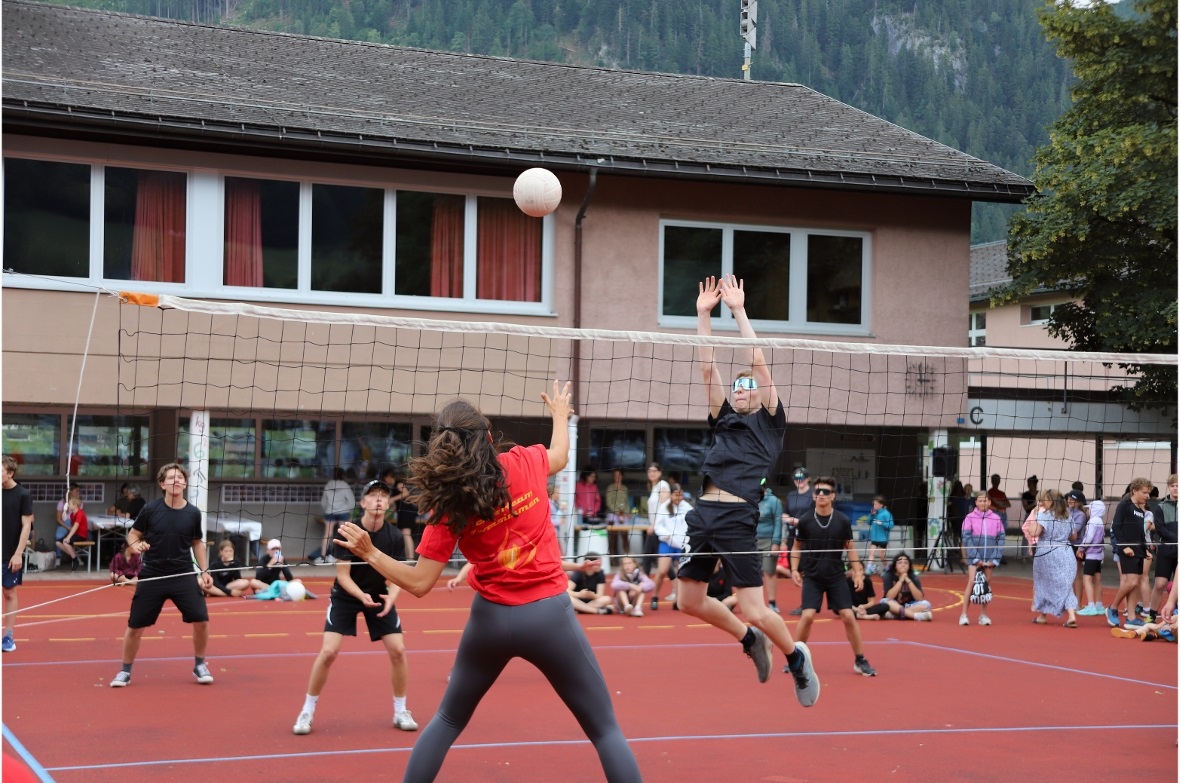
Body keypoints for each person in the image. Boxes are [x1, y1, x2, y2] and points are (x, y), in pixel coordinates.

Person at [332, 380, 642, 783]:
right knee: (605, 730)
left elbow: (421, 582)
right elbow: (562, 455)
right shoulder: (523, 462)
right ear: (489, 437)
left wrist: (372, 553)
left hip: (490, 622)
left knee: (446, 719)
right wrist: (560, 417)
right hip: (549, 616)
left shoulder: (450, 503)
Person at [672, 275, 818, 705]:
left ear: (759, 395)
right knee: (688, 601)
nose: (741, 389)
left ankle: (796, 659)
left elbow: (758, 363)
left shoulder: (770, 424)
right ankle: (750, 640)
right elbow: (706, 366)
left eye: (747, 387)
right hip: (704, 514)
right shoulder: (723, 416)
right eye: (737, 387)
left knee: (754, 606)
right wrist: (703, 315)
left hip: (737, 516)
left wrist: (737, 312)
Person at [293, 479, 416, 735]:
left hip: (379, 594)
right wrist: (361, 596)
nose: (380, 499)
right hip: (347, 595)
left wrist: (392, 596)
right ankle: (307, 710)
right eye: (374, 495)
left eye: (384, 495)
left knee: (399, 650)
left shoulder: (393, 536)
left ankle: (401, 710)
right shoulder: (348, 531)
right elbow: (343, 576)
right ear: (363, 503)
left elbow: (398, 576)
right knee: (328, 652)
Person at [110, 463, 214, 687]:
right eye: (170, 478)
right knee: (135, 626)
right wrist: (136, 545)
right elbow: (133, 534)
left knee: (202, 620)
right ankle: (125, 671)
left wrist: (204, 571)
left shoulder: (193, 513)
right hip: (153, 574)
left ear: (185, 483)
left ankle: (200, 664)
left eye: (179, 477)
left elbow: (197, 543)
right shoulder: (150, 510)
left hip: (183, 573)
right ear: (162, 484)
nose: (175, 481)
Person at [790, 475, 878, 676]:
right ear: (813, 496)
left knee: (848, 615)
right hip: (812, 576)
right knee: (808, 615)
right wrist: (794, 570)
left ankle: (860, 659)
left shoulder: (842, 520)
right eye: (818, 491)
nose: (821, 495)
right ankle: (795, 658)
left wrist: (858, 572)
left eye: (826, 492)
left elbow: (851, 549)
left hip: (836, 575)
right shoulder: (805, 520)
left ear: (833, 496)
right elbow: (796, 547)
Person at [1106, 478, 1153, 629]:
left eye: (1148, 493)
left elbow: (1140, 533)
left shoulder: (1141, 510)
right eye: (1144, 492)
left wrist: (1146, 549)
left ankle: (1131, 618)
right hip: (1127, 550)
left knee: (1135, 584)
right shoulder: (1124, 506)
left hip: (1139, 550)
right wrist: (1124, 546)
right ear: (1135, 491)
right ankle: (1112, 608)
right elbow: (1117, 527)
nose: (1147, 496)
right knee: (1131, 581)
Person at [1029, 489, 1079, 628]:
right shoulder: (1067, 516)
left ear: (1050, 501)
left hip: (1047, 553)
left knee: (1043, 583)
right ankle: (1070, 615)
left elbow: (1034, 532)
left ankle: (1043, 615)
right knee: (1065, 584)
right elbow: (1074, 536)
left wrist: (1036, 516)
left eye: (1044, 499)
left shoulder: (1044, 515)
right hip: (1066, 552)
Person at [2, 455, 34, 653]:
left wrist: (18, 554)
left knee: (9, 592)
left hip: (9, 552)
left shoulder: (22, 494)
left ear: (10, 473)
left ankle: (8, 636)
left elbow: (26, 525)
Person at [959, 492, 1004, 626]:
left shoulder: (996, 518)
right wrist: (975, 557)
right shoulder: (969, 518)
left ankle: (983, 615)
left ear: (990, 502)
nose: (983, 503)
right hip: (974, 559)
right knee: (972, 582)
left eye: (985, 501)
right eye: (980, 501)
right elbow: (966, 538)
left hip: (990, 558)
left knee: (986, 585)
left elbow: (1001, 539)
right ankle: (963, 614)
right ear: (976, 503)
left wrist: (995, 558)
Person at [650, 484, 691, 611]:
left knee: (681, 573)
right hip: (667, 542)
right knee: (662, 571)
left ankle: (677, 600)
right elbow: (657, 526)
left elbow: (692, 522)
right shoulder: (664, 507)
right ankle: (654, 597)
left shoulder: (687, 507)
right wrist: (668, 535)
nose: (679, 497)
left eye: (681, 494)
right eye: (676, 494)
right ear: (671, 494)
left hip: (681, 543)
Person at [782, 467, 814, 616]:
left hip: (809, 536)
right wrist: (788, 519)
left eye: (801, 479)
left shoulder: (813, 494)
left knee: (808, 569)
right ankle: (807, 602)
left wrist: (800, 521)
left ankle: (808, 603)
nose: (798, 481)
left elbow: (817, 514)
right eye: (796, 479)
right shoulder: (791, 495)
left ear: (808, 479)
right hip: (793, 535)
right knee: (797, 569)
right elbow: (785, 512)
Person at [1148, 475, 1178, 621]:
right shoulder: (1161, 506)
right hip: (1167, 549)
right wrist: (1176, 539)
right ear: (1168, 487)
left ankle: (1175, 614)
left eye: (1178, 485)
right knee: (1160, 584)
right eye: (1173, 485)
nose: (1175, 488)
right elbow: (1159, 528)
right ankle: (1152, 615)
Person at [878, 552, 933, 621]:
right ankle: (916, 616)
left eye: (906, 563)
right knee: (884, 602)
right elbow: (889, 597)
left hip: (909, 604)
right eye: (900, 563)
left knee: (927, 604)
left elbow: (919, 598)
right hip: (894, 604)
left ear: (909, 566)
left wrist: (907, 579)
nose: (903, 565)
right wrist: (900, 580)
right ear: (895, 565)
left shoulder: (913, 576)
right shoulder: (888, 575)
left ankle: (895, 615)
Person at [318, 467, 356, 565]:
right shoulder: (345, 485)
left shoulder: (328, 485)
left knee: (327, 534)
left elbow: (323, 502)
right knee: (343, 535)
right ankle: (341, 556)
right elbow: (351, 502)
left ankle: (323, 556)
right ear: (343, 475)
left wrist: (328, 509)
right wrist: (347, 509)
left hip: (330, 512)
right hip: (343, 512)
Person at [756, 485, 785, 612]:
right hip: (753, 540)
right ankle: (756, 603)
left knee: (769, 571)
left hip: (769, 540)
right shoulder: (750, 498)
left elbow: (778, 522)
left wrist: (776, 542)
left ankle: (772, 602)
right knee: (753, 573)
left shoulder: (774, 501)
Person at [1076, 499, 1107, 615]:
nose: (1088, 511)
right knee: (1097, 579)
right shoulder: (1100, 521)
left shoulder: (1092, 521)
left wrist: (1081, 548)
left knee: (1087, 579)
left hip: (1092, 554)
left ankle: (1091, 605)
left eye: (1089, 509)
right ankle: (1099, 605)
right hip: (1099, 554)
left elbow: (1088, 538)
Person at [644, 463, 671, 574]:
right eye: (650, 471)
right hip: (655, 528)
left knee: (660, 559)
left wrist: (653, 524)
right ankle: (644, 585)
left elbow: (663, 508)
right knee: (649, 557)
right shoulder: (654, 487)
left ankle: (677, 587)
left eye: (654, 471)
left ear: (660, 473)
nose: (652, 473)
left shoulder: (662, 485)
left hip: (659, 528)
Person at [56, 495, 90, 571]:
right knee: (58, 542)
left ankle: (74, 560)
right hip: (75, 534)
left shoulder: (80, 513)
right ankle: (75, 556)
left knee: (66, 542)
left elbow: (75, 526)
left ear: (75, 505)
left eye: (70, 504)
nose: (68, 505)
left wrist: (68, 537)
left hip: (81, 535)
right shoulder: (72, 515)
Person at [603, 468, 631, 558]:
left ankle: (628, 556)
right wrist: (616, 511)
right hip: (612, 514)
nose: (617, 477)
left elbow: (626, 503)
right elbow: (608, 502)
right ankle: (612, 558)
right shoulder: (610, 488)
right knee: (613, 538)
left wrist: (627, 512)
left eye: (619, 475)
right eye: (615, 475)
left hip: (623, 515)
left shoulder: (625, 488)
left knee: (625, 536)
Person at [866, 495, 894, 576]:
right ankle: (868, 568)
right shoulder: (874, 513)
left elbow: (891, 525)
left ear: (881, 505)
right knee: (871, 553)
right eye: (873, 504)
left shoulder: (886, 514)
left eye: (876, 504)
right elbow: (868, 522)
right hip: (874, 537)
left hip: (883, 538)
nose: (874, 506)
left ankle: (887, 568)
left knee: (881, 555)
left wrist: (882, 523)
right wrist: (871, 515)